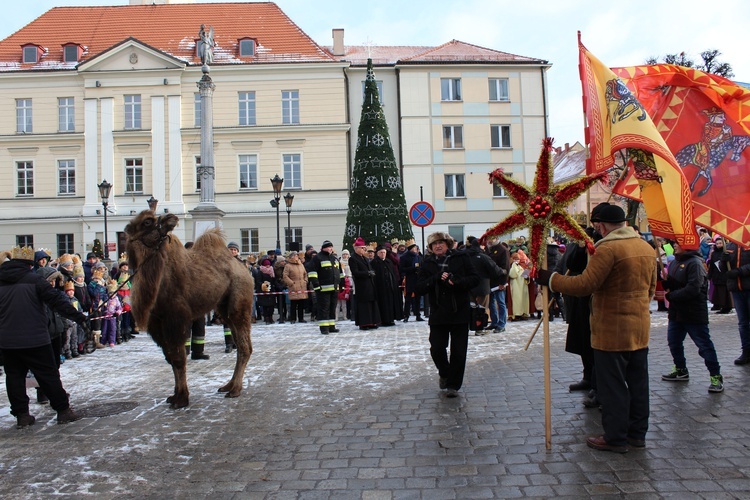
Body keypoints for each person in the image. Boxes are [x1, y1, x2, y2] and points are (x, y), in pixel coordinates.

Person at [537, 204, 656, 453]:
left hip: (611, 329)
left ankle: (615, 437)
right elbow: (651, 289)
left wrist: (550, 279)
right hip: (639, 327)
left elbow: (585, 284)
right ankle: (637, 434)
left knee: (611, 385)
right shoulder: (645, 247)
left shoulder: (608, 248)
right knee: (638, 383)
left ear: (601, 226)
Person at [0, 246, 88, 428]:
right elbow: (57, 302)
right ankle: (63, 410)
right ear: (28, 265)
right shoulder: (35, 280)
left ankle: (22, 416)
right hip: (36, 338)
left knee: (14, 377)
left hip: (8, 341)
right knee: (48, 375)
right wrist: (79, 317)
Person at [415, 232, 480, 398]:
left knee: (459, 351)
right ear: (430, 248)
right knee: (437, 348)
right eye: (434, 244)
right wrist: (436, 278)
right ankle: (444, 372)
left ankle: (453, 385)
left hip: (459, 311)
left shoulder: (461, 257)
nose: (438, 246)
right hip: (438, 312)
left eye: (441, 243)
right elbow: (419, 287)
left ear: (448, 244)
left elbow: (474, 279)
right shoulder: (427, 262)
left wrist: (456, 281)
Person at [660, 240, 724, 392]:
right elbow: (676, 283)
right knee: (674, 342)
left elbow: (694, 288)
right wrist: (668, 283)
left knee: (704, 346)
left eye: (678, 243)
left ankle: (716, 376)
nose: (674, 245)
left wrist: (673, 295)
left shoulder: (695, 263)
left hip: (693, 313)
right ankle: (681, 369)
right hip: (677, 313)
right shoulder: (675, 262)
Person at [464, 236, 502, 335]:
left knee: (470, 308)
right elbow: (495, 270)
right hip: (482, 286)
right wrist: (503, 271)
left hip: (468, 286)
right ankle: (479, 329)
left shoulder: (465, 256)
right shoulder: (483, 256)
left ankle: (467, 328)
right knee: (481, 308)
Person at [721, 242, 750, 365]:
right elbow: (724, 269)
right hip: (737, 289)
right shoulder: (729, 246)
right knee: (743, 323)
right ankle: (746, 351)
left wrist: (739, 271)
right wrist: (723, 261)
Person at [309, 241, 342, 334]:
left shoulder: (334, 258)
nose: (330, 249)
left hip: (334, 288)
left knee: (332, 308)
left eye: (331, 247)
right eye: (328, 247)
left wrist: (341, 283)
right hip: (323, 288)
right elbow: (312, 273)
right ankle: (324, 328)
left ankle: (331, 326)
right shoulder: (317, 258)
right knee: (324, 308)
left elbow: (340, 272)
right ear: (323, 248)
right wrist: (316, 285)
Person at [348, 238, 381, 330]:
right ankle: (364, 323)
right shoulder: (353, 259)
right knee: (364, 305)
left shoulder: (365, 258)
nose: (364, 250)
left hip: (370, 284)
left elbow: (370, 268)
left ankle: (372, 322)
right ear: (357, 248)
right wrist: (367, 273)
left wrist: (372, 272)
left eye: (364, 248)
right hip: (361, 285)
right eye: (362, 248)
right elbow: (355, 272)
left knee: (371, 303)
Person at [486, 238, 510, 333]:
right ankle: (494, 322)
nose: (490, 240)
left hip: (499, 280)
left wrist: (503, 282)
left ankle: (501, 324)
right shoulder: (488, 249)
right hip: (489, 281)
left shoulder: (502, 250)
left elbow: (506, 267)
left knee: (500, 302)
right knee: (491, 303)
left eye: (492, 238)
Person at [400, 243, 425, 322]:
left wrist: (420, 270)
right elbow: (402, 269)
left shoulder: (418, 257)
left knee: (418, 298)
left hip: (418, 279)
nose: (416, 249)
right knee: (408, 298)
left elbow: (422, 266)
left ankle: (418, 314)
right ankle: (406, 315)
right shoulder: (404, 257)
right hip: (410, 279)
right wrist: (413, 268)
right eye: (414, 248)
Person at [707, 236, 732, 314]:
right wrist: (709, 275)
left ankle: (726, 306)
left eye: (720, 243)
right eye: (717, 243)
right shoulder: (714, 253)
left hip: (724, 275)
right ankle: (717, 304)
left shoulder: (726, 252)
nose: (718, 245)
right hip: (716, 275)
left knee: (723, 292)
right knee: (716, 291)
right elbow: (712, 265)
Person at [282, 251, 308, 324]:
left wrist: (305, 281)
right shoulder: (288, 266)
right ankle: (293, 318)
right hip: (293, 286)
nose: (297, 256)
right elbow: (285, 276)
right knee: (293, 304)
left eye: (297, 255)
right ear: (291, 257)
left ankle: (301, 318)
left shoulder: (301, 265)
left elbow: (305, 274)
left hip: (302, 286)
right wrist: (291, 283)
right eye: (295, 255)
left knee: (301, 303)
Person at [508, 252, 530, 320]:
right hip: (516, 285)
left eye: (518, 259)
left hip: (523, 286)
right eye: (515, 259)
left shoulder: (521, 266)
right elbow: (512, 274)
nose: (517, 260)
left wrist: (527, 276)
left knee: (523, 300)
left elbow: (524, 275)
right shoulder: (513, 266)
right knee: (517, 300)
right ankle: (517, 314)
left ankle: (523, 313)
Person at [256, 258, 278, 325]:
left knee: (271, 306)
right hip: (263, 290)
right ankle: (266, 318)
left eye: (268, 265)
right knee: (265, 306)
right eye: (266, 265)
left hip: (271, 290)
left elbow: (274, 280)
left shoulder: (272, 271)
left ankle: (270, 317)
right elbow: (258, 281)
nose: (268, 266)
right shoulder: (260, 272)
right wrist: (263, 284)